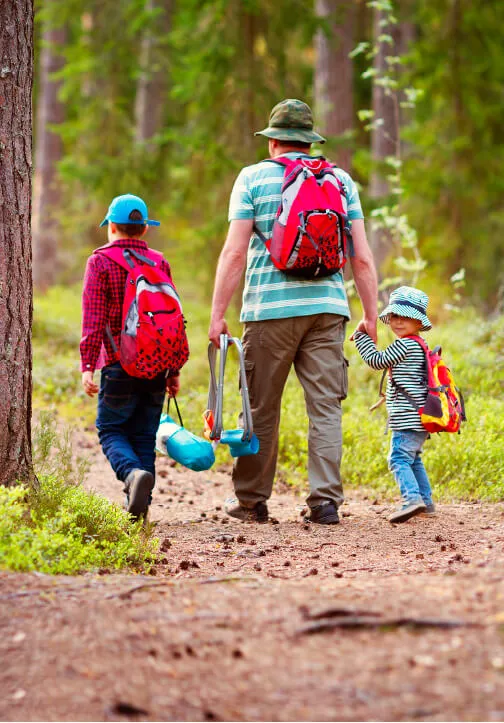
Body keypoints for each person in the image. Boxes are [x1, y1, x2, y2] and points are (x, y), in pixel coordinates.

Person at [209, 99, 378, 524]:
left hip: (269, 312)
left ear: (274, 143)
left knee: (262, 407)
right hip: (328, 309)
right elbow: (361, 258)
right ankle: (324, 502)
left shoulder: (251, 178)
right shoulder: (340, 181)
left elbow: (234, 253)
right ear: (309, 142)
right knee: (325, 407)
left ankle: (251, 501)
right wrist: (370, 316)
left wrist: (217, 314)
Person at [80, 194, 181, 521]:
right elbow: (173, 319)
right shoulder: (159, 261)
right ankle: (140, 510)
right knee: (142, 435)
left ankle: (130, 475)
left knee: (110, 430)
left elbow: (93, 318)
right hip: (157, 364)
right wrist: (173, 368)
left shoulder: (100, 261)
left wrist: (87, 366)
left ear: (111, 226)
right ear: (144, 230)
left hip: (118, 364)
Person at [353, 286, 435, 523]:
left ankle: (412, 499)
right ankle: (426, 502)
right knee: (413, 458)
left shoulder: (405, 345)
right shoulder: (420, 344)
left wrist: (361, 336)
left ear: (418, 322)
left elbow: (375, 360)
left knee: (398, 458)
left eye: (406, 318)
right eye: (395, 316)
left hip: (407, 417)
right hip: (420, 416)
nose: (398, 322)